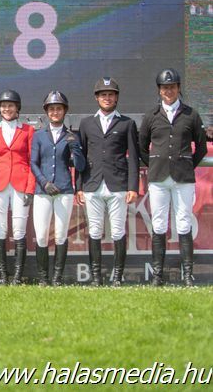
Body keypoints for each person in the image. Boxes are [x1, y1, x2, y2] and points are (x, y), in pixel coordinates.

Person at [139, 69, 207, 286]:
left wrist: (186, 164)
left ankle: (187, 275)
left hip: (183, 178)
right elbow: (142, 147)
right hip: (158, 178)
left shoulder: (191, 114)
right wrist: (157, 164)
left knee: (184, 223)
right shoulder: (151, 116)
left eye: (172, 86)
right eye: (164, 87)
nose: (168, 91)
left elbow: (202, 147)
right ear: (159, 91)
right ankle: (158, 275)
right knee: (158, 224)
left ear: (178, 88)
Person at [76, 77, 138, 286]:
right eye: (103, 94)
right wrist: (79, 187)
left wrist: (132, 186)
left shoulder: (127, 123)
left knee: (118, 231)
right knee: (94, 230)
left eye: (111, 94)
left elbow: (134, 157)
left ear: (117, 97)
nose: (107, 98)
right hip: (92, 184)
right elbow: (80, 158)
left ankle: (118, 277)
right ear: (97, 98)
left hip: (118, 184)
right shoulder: (85, 124)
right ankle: (96, 278)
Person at [30, 91, 85, 286]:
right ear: (47, 111)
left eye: (58, 108)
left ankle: (57, 278)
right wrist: (44, 182)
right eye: (52, 109)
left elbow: (79, 166)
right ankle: (43, 277)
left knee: (61, 234)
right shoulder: (38, 136)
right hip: (43, 190)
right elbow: (33, 163)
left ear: (64, 111)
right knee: (42, 234)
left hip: (64, 190)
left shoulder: (71, 136)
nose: (55, 112)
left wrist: (75, 148)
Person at [0, 90, 35, 285]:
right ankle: (3, 276)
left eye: (11, 105)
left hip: (21, 184)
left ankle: (17, 276)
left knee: (19, 230)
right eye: (4, 105)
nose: (7, 109)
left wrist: (30, 188)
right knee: (0, 229)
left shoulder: (28, 131)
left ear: (18, 108)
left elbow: (32, 161)